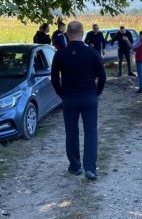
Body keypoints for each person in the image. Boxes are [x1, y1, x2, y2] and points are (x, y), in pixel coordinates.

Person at [51, 21, 106, 181]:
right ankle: (90, 168)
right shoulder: (92, 53)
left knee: (72, 132)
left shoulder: (60, 54)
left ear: (67, 34)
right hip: (89, 96)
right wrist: (97, 93)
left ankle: (75, 166)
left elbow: (54, 78)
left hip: (69, 98)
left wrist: (61, 94)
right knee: (91, 132)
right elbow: (102, 76)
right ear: (82, 33)